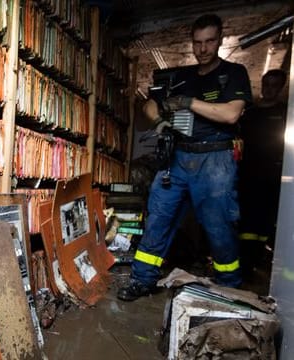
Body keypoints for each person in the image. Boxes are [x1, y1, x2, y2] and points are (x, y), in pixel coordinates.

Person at [117, 13, 252, 301]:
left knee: (219, 228)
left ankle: (229, 288)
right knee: (158, 220)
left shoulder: (234, 73)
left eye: (209, 42)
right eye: (197, 43)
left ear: (220, 40)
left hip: (215, 160)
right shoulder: (180, 76)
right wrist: (159, 122)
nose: (203, 49)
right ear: (192, 43)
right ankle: (142, 279)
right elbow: (149, 104)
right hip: (176, 159)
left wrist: (189, 102)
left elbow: (231, 114)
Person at [238, 69, 288, 277]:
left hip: (273, 176)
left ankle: (255, 260)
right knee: (245, 221)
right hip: (248, 175)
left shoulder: (286, 114)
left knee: (264, 222)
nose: (269, 89)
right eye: (267, 84)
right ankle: (244, 263)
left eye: (275, 85)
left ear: (282, 87)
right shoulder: (250, 113)